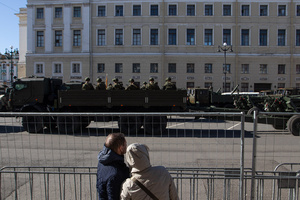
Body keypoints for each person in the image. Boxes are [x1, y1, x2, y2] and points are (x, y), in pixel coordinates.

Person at [97, 133, 130, 200]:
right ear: (120, 148)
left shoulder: (102, 162)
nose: (127, 146)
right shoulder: (115, 174)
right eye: (125, 144)